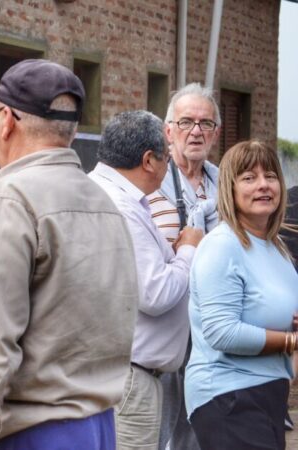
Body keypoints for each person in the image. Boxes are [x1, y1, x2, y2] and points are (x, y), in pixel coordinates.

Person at [0, 59, 138, 450]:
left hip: (33, 432)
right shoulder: (105, 203)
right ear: (73, 129)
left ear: (7, 120)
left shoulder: (11, 201)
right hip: (98, 427)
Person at [88, 110, 204, 449]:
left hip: (119, 374)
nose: (169, 167)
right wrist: (189, 251)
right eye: (167, 158)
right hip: (131, 381)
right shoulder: (122, 206)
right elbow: (155, 293)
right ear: (148, 161)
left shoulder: (103, 191)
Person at [185, 140, 298, 449]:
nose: (263, 185)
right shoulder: (222, 246)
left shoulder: (277, 250)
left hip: (269, 392)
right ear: (229, 190)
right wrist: (291, 340)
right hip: (228, 396)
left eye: (270, 176)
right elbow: (222, 333)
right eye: (249, 178)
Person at [146, 82, 222, 450]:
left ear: (216, 133)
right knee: (159, 430)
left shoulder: (226, 184)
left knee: (200, 429)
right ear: (168, 130)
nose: (196, 131)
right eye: (187, 122)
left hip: (212, 331)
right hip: (165, 328)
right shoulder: (149, 183)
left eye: (205, 124)